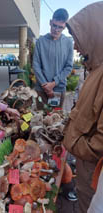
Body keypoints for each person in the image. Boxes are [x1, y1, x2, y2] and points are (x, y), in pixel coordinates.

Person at [63, 2, 103, 212]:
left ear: (94, 34)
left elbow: (101, 141)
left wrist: (73, 143)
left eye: (78, 40)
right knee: (83, 200)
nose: (76, 47)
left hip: (92, 168)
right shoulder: (94, 68)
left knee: (88, 204)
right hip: (85, 165)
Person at [33, 8, 73, 109]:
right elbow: (36, 65)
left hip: (59, 89)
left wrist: (54, 83)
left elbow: (68, 67)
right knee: (40, 120)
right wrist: (46, 86)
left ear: (65, 26)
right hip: (41, 89)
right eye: (54, 25)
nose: (56, 29)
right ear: (50, 22)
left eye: (60, 27)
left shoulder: (68, 43)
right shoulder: (40, 41)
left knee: (57, 120)